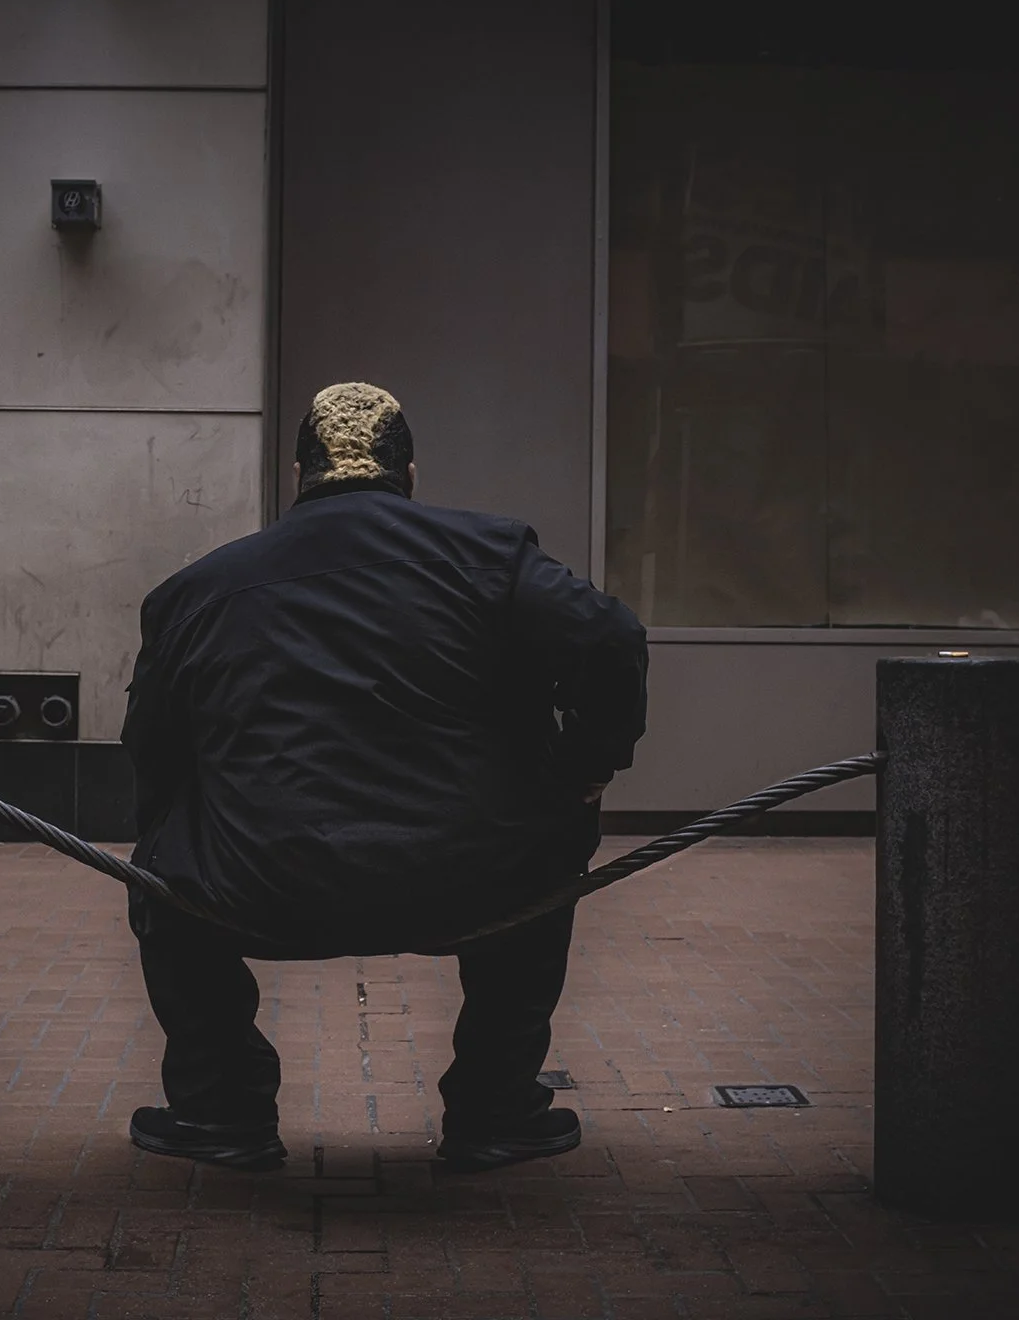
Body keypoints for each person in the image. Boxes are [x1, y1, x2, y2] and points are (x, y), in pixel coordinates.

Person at [122, 382, 647, 1174]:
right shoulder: (493, 557)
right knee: (551, 835)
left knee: (158, 869)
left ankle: (220, 1108)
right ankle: (496, 1106)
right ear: (410, 474)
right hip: (479, 880)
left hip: (262, 883)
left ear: (300, 472)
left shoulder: (196, 591)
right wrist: (580, 770)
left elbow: (151, 752)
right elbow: (612, 642)